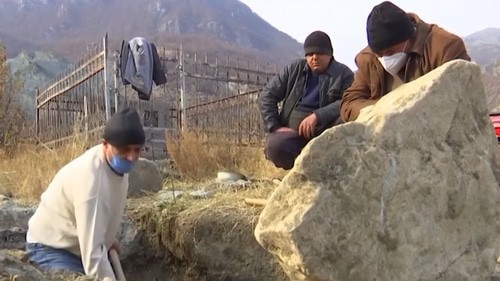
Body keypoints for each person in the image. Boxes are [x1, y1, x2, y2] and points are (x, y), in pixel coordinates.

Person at [26, 107, 145, 280]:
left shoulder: (115, 166)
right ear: (105, 144)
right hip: (50, 247)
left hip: (79, 247)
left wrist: (108, 240)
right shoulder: (92, 181)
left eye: (137, 150)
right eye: (125, 150)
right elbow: (93, 256)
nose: (132, 157)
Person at [340, 1, 471, 122]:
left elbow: (459, 98)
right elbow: (349, 103)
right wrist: (379, 110)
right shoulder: (369, 59)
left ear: (409, 38)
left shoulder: (444, 47)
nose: (385, 58)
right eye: (380, 54)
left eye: (391, 52)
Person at [259, 31, 354, 170]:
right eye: (310, 54)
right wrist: (275, 127)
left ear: (330, 54)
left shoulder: (343, 74)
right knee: (275, 146)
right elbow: (266, 96)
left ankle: (327, 168)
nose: (314, 58)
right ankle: (298, 170)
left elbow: (347, 101)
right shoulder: (294, 69)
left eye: (320, 53)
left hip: (325, 133)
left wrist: (318, 116)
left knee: (347, 116)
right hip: (292, 135)